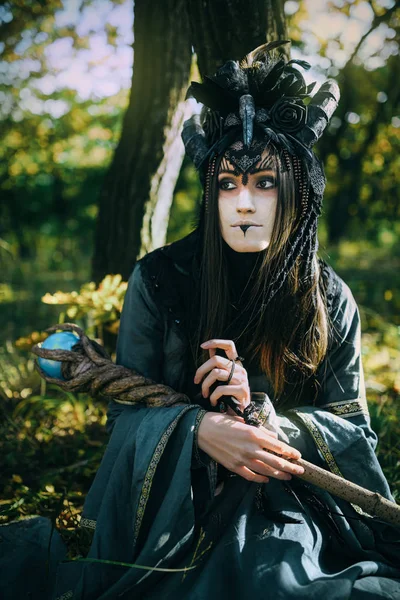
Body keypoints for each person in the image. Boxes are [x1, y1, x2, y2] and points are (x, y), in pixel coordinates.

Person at [5, 40, 399, 600]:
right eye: (228, 184)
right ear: (210, 195)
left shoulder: (328, 297)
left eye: (264, 183)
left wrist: (270, 423)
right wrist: (199, 432)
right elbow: (125, 421)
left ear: (297, 192)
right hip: (179, 509)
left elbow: (353, 428)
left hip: (290, 501)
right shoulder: (161, 280)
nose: (244, 203)